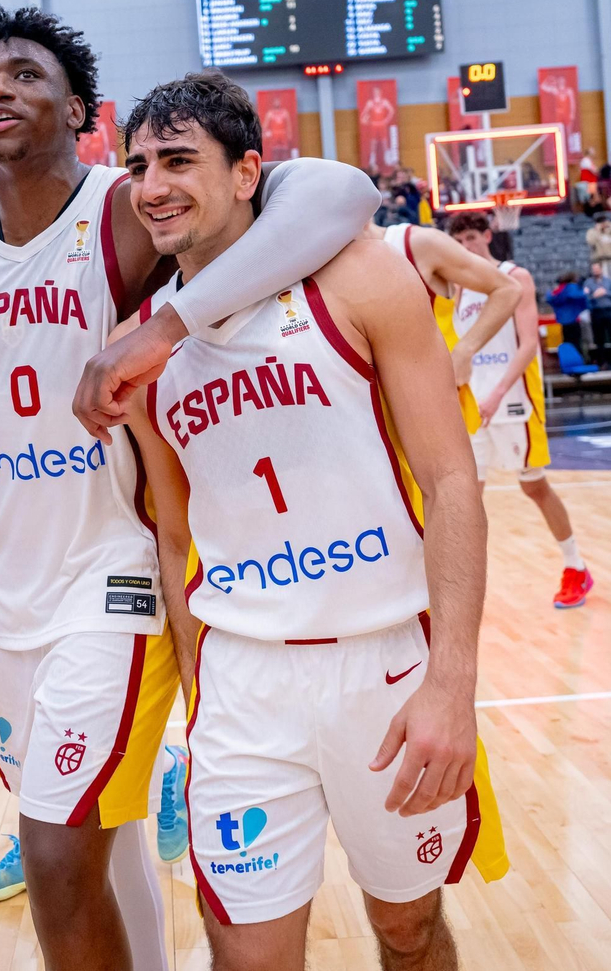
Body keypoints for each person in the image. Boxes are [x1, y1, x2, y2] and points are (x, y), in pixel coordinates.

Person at [0, 7, 377, 971]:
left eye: (26, 73)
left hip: (118, 581)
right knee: (103, 847)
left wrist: (164, 323)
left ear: (80, 112)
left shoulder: (126, 205)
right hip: (9, 591)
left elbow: (336, 191)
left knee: (54, 857)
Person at [111, 72, 506, 971]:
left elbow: (450, 482)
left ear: (250, 171)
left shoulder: (363, 277)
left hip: (386, 667)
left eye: (179, 160)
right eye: (140, 166)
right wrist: (202, 688)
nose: (154, 186)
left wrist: (452, 683)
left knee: (408, 930)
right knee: (245, 953)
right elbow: (175, 535)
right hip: (244, 678)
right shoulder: (145, 347)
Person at [439, 211, 594, 607]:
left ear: (487, 236)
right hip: (472, 403)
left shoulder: (514, 276)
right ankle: (459, 587)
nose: (465, 248)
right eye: (457, 242)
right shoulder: (456, 287)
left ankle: (575, 566)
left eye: (471, 238)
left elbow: (528, 345)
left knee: (534, 486)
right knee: (467, 495)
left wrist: (497, 392)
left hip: (512, 400)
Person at [584, 261, 611, 367]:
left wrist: (605, 292)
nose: (596, 271)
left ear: (601, 269)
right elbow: (585, 297)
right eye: (593, 269)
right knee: (599, 339)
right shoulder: (588, 283)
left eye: (597, 268)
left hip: (609, 311)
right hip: (596, 312)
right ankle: (602, 362)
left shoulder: (609, 281)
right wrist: (594, 295)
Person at [545, 272, 587, 352]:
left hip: (562, 320)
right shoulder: (571, 287)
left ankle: (568, 358)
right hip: (573, 318)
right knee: (576, 341)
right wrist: (585, 292)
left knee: (567, 341)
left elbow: (550, 298)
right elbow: (577, 295)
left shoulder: (557, 289)